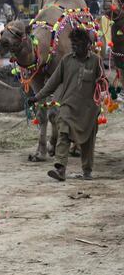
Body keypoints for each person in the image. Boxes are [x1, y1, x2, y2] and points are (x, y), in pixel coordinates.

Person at [30, 27, 102, 181]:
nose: (74, 46)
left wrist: (103, 85)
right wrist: (37, 97)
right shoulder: (66, 60)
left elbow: (103, 82)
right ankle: (60, 169)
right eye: (73, 43)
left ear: (88, 44)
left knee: (88, 141)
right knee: (63, 132)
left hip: (89, 109)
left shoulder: (96, 61)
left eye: (78, 44)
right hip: (68, 105)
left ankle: (87, 171)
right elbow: (52, 83)